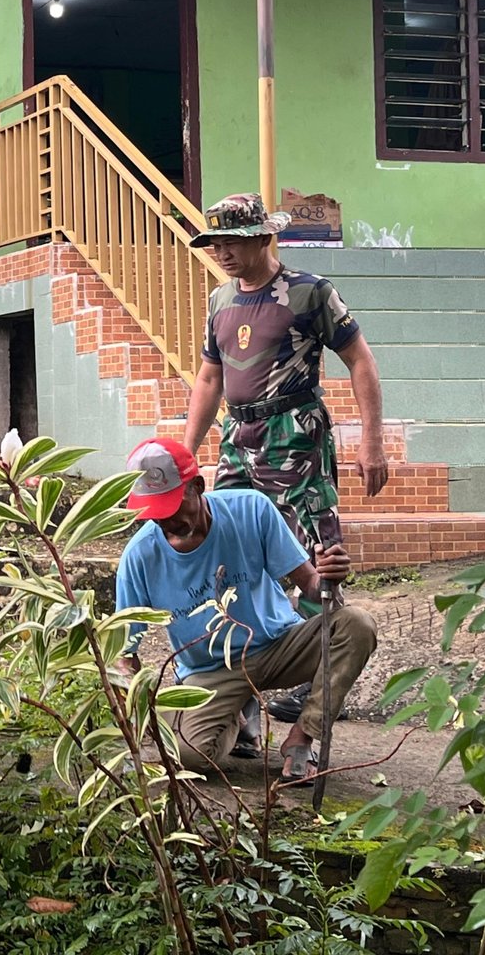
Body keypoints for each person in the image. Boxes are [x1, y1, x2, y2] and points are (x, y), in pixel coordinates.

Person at [182, 192, 387, 725]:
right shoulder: (219, 301)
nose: (223, 252)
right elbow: (209, 378)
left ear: (263, 237)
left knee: (316, 553)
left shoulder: (309, 293)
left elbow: (360, 360)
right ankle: (240, 682)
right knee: (223, 548)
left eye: (233, 240)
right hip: (238, 435)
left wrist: (371, 442)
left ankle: (318, 680)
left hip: (296, 433)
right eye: (216, 242)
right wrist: (185, 452)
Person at [114, 438, 377, 783]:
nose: (166, 520)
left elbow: (312, 585)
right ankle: (236, 717)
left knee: (356, 625)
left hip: (279, 644)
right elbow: (124, 655)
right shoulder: (139, 556)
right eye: (154, 512)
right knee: (188, 757)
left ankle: (301, 738)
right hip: (210, 671)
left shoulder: (251, 510)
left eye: (173, 506)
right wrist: (139, 721)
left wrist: (331, 576)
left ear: (197, 486)